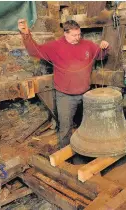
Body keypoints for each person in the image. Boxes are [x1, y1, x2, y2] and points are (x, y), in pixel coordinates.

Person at [18, 19, 110, 149]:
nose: (77, 38)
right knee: (65, 128)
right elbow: (34, 51)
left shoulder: (88, 44)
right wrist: (26, 34)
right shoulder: (55, 46)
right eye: (74, 35)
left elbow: (100, 55)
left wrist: (104, 47)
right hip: (65, 96)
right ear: (65, 33)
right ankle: (66, 157)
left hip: (85, 93)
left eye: (79, 34)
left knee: (87, 124)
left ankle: (87, 150)